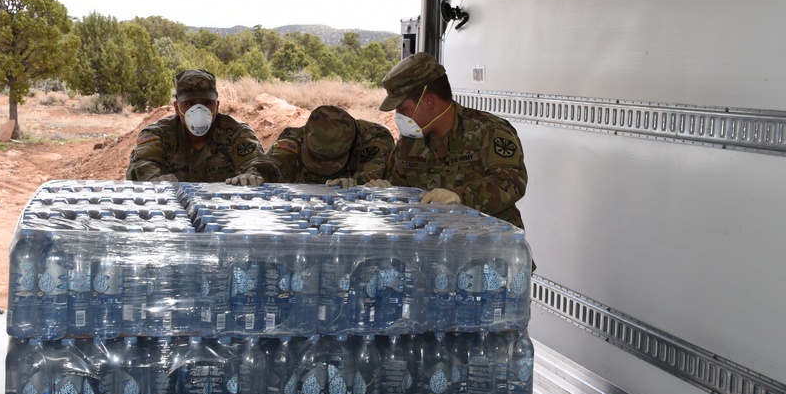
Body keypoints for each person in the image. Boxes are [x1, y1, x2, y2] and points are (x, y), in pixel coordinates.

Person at [369, 52, 527, 228]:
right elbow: (400, 186)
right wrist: (385, 190)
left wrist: (460, 197)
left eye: (402, 109)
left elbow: (511, 182)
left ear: (428, 102)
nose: (398, 116)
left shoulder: (488, 131)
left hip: (490, 245)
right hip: (435, 246)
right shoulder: (410, 141)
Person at [126, 69, 264, 182]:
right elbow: (141, 165)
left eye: (207, 103)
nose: (199, 110)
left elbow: (257, 166)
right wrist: (153, 180)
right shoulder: (159, 134)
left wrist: (251, 176)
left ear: (217, 106)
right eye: (190, 103)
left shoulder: (237, 133)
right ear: (176, 108)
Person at [225, 105, 394, 188]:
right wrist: (253, 175)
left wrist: (355, 185)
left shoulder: (373, 138)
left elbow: (372, 176)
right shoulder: (294, 136)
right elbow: (274, 163)